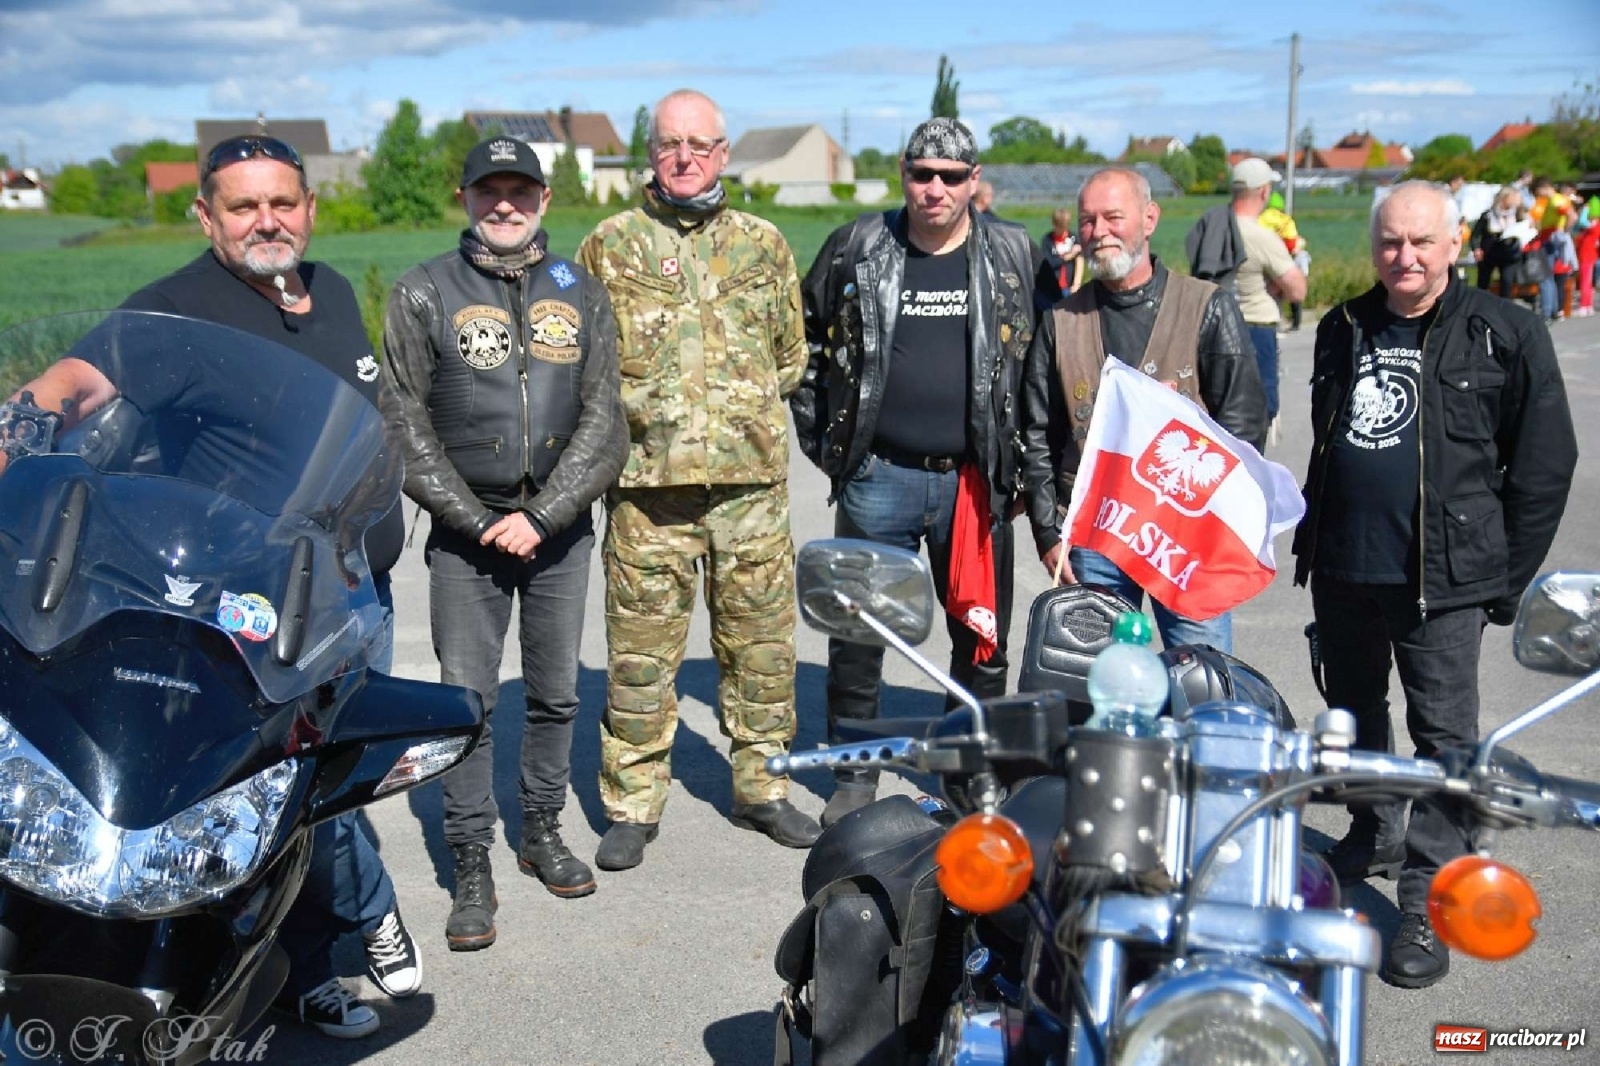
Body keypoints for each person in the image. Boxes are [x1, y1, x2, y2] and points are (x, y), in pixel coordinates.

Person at [6, 134, 418, 1038]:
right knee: (265, 794)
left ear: (309, 207)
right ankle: (329, 950)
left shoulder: (336, 291)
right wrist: (27, 413)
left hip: (345, 597)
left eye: (282, 202)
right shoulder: (175, 309)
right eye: (242, 205)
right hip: (239, 607)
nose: (266, 220)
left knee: (330, 790)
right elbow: (82, 376)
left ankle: (329, 932)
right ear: (207, 215)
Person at [1292, 181, 1576, 990]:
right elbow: (1326, 443)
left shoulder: (1506, 332)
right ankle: (1374, 828)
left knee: (1445, 748)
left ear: (1454, 244)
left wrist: (1503, 579)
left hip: (1443, 584)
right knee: (1355, 721)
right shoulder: (1342, 325)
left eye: (1422, 242)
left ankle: (1425, 901)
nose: (1404, 258)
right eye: (1390, 242)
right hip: (1346, 567)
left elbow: (1546, 466)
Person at [380, 138, 627, 948]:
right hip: (467, 536)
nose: (506, 205)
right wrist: (478, 520)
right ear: (466, 197)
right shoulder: (423, 292)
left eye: (521, 191)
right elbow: (404, 426)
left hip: (557, 532)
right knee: (467, 706)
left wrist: (547, 514)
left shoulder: (581, 292)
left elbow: (604, 422)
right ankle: (471, 858)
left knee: (556, 694)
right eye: (491, 192)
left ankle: (542, 830)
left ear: (546, 199)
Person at [576, 89, 817, 870]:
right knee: (641, 658)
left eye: (700, 144)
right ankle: (632, 803)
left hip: (750, 490)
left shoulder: (763, 245)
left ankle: (763, 789)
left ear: (723, 153)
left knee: (762, 652)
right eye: (670, 143)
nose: (684, 157)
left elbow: (789, 354)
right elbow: (584, 364)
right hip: (649, 495)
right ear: (652, 153)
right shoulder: (610, 245)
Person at [791, 117, 1039, 826]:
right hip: (879, 477)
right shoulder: (860, 245)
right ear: (903, 173)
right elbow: (802, 341)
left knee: (982, 636)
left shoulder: (1013, 252)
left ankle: (970, 776)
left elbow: (1045, 359)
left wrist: (1026, 465)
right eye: (921, 174)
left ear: (974, 181)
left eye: (951, 177)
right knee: (860, 633)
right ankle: (854, 772)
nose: (935, 189)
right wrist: (829, 445)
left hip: (975, 481)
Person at [1018, 167, 1267, 654]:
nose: (1099, 232)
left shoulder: (1207, 307)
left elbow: (1243, 427)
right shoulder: (1059, 323)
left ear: (1149, 218)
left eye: (1114, 216)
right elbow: (1037, 434)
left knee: (1202, 680)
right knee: (1107, 689)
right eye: (1088, 221)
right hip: (1095, 537)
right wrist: (1049, 531)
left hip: (1188, 540)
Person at [1229, 158, 1307, 438]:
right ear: (1263, 191)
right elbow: (1297, 290)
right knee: (1257, 415)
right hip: (1255, 327)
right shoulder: (1261, 236)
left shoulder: (1208, 228)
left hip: (1214, 325)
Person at [1038, 206, 1084, 307]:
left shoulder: (1073, 238)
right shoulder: (1047, 240)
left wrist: (1076, 284)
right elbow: (1049, 262)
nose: (1061, 230)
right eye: (1059, 227)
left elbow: (1079, 260)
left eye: (1064, 227)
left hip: (1069, 286)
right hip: (1052, 287)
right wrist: (1068, 256)